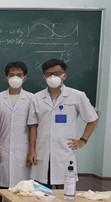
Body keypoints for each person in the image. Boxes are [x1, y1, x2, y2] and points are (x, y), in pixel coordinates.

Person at [27, 59, 98, 188]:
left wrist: (83, 140)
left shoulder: (77, 96)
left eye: (58, 73)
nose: (53, 77)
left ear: (65, 75)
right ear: (44, 77)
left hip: (64, 154)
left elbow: (92, 119)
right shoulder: (37, 98)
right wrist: (32, 150)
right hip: (42, 154)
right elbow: (33, 126)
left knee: (65, 198)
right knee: (41, 197)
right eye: (49, 74)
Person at [0, 61, 33, 189]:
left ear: (24, 77)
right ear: (6, 77)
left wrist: (32, 150)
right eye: (12, 75)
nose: (15, 77)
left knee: (23, 189)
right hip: (3, 148)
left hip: (23, 150)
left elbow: (33, 127)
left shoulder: (32, 99)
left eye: (19, 74)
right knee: (3, 188)